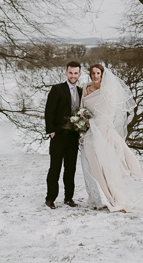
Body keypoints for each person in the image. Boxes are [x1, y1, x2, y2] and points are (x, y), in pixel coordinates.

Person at [80, 64, 142, 212]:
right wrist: (82, 124)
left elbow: (108, 113)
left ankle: (111, 198)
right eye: (93, 73)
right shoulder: (85, 88)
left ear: (102, 75)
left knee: (105, 166)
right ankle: (98, 198)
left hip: (102, 131)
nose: (95, 76)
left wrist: (103, 130)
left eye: (98, 73)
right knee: (92, 166)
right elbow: (82, 109)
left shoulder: (107, 91)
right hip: (89, 132)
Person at [44, 61, 83, 209]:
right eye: (70, 73)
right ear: (66, 73)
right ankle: (50, 198)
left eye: (76, 73)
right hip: (58, 135)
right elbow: (49, 111)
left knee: (70, 168)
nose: (73, 76)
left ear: (79, 74)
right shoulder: (57, 89)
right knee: (55, 168)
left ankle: (68, 198)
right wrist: (51, 132)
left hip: (73, 136)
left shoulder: (81, 91)